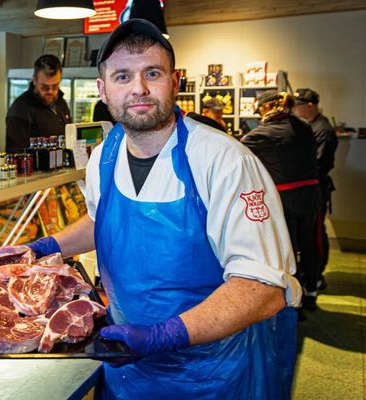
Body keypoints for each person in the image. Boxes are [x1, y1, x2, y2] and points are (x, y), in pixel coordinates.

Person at [29, 19, 300, 399]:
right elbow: (102, 220)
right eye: (122, 76)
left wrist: (164, 335)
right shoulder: (103, 156)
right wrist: (44, 248)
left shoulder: (224, 161)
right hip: (128, 366)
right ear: (103, 91)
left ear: (174, 83)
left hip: (212, 373)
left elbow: (263, 287)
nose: (138, 88)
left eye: (151, 73)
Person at [242, 90, 321, 313]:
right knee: (309, 246)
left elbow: (238, 154)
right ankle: (312, 293)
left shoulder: (259, 135)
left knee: (288, 250)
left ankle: (291, 301)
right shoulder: (304, 126)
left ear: (266, 108)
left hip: (285, 200)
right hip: (311, 196)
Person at [293, 88, 338, 290]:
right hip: (309, 189)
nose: (295, 109)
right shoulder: (310, 126)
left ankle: (317, 275)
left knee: (316, 234)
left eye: (298, 105)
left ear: (309, 106)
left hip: (315, 189)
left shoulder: (323, 129)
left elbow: (317, 164)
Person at [5, 55, 72, 153]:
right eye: (44, 87)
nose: (50, 91)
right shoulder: (20, 109)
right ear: (34, 80)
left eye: (55, 86)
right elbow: (16, 153)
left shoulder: (60, 103)